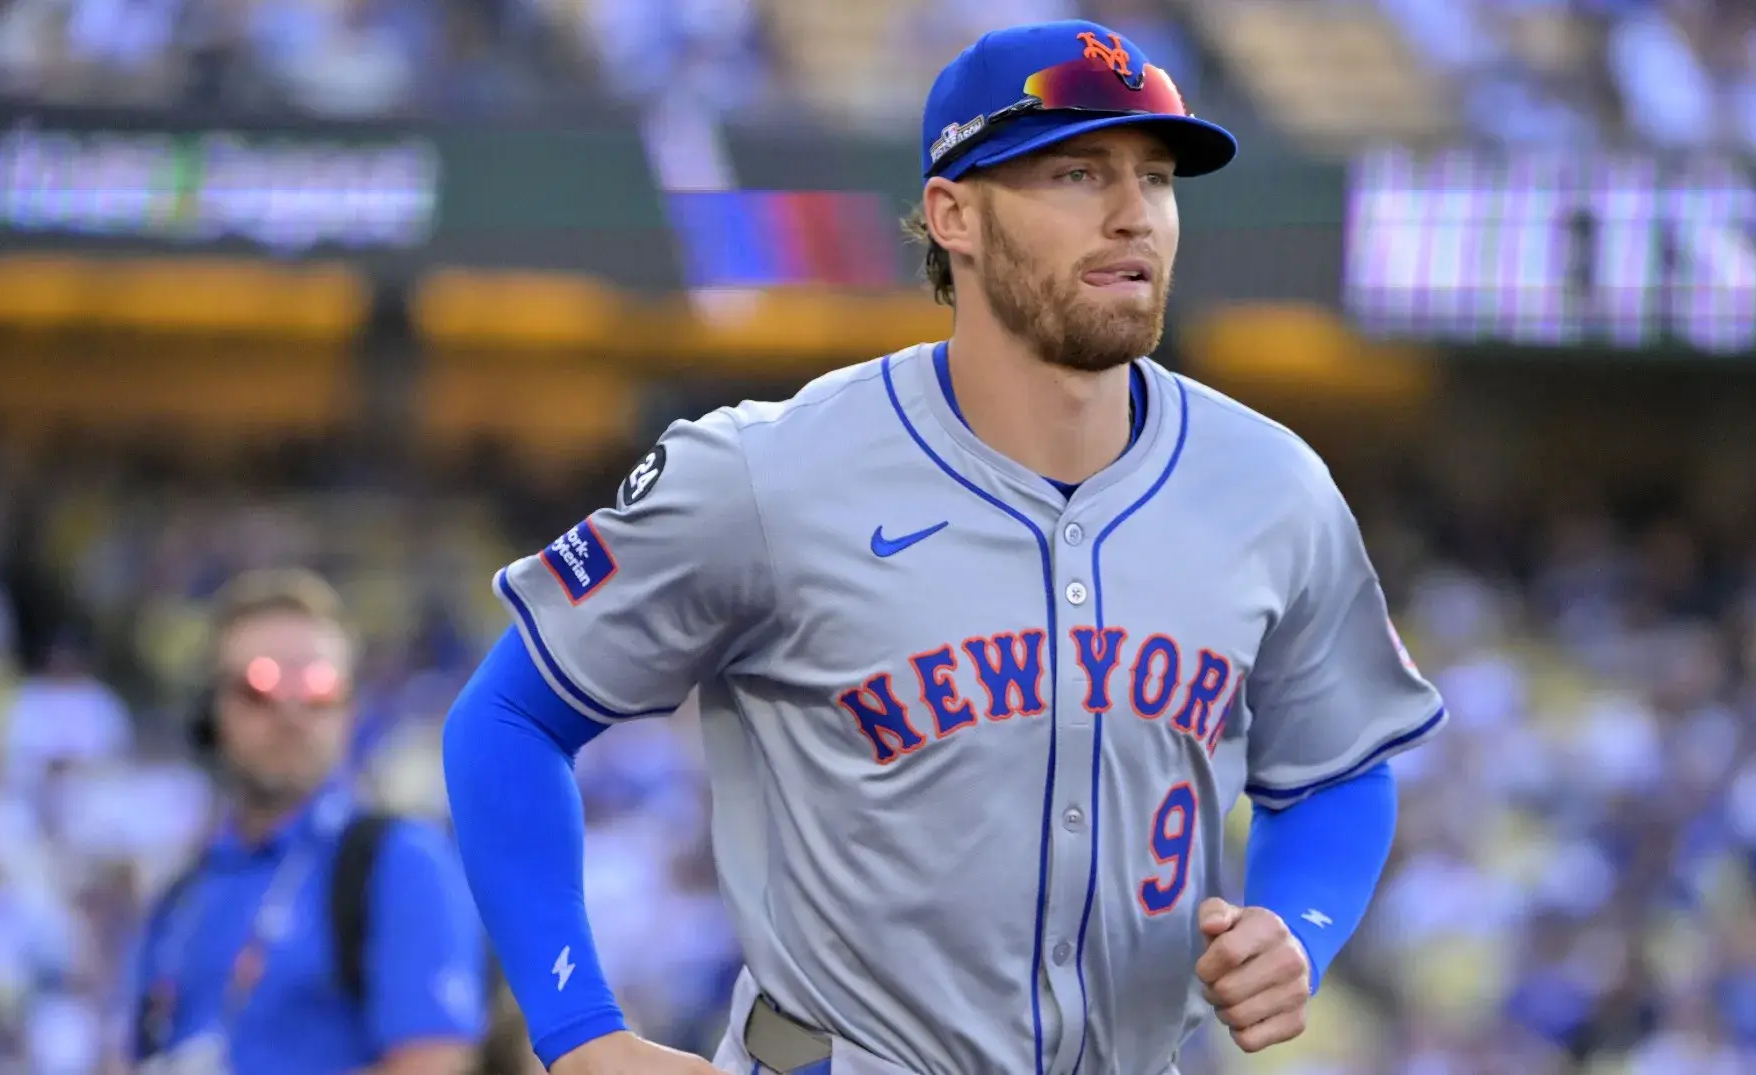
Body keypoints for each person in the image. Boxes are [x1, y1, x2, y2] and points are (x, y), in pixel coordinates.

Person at [442, 18, 1448, 1075]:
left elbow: (1337, 763)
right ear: (951, 213)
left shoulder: (1271, 483)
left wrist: (1301, 924)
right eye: (1075, 172)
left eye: (1156, 178)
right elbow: (508, 715)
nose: (1131, 215)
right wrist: (579, 1033)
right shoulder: (771, 472)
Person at [127, 568, 488, 1075]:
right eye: (260, 686)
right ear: (209, 712)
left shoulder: (399, 859)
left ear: (350, 709)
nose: (291, 712)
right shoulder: (181, 897)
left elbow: (434, 1065)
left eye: (319, 687)